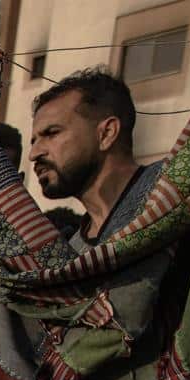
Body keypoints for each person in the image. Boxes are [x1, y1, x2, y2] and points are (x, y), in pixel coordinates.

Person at [30, 69, 163, 248]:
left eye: (52, 133)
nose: (34, 154)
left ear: (106, 134)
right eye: (34, 141)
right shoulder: (74, 257)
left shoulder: (174, 192)